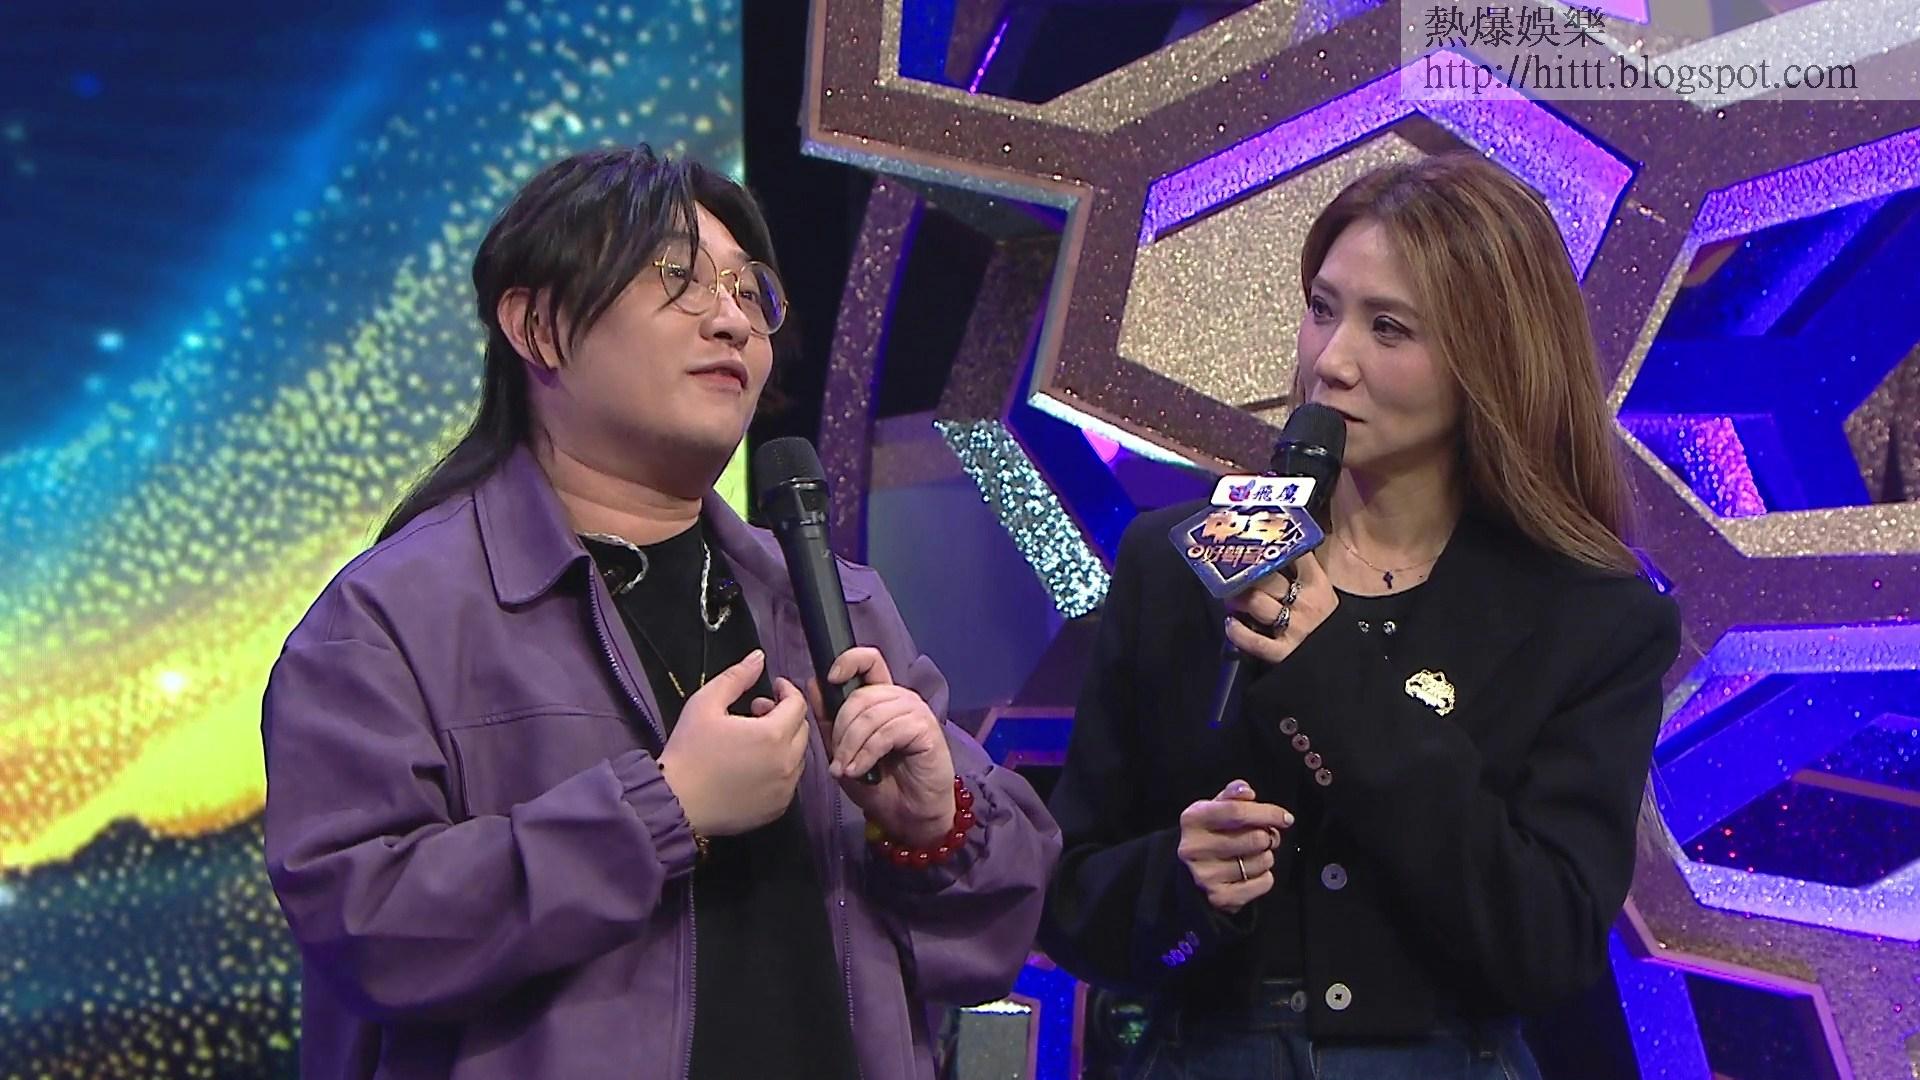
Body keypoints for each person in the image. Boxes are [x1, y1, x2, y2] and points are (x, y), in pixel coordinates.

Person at [261, 144, 1060, 1080]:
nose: (731, 318)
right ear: (537, 326)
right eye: (678, 281)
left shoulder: (835, 604)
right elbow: (363, 926)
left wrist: (933, 825)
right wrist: (664, 810)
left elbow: (998, 927)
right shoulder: (391, 617)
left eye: (749, 291)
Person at [1038, 154, 1681, 1078]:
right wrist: (1183, 888)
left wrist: (1332, 674)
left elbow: (1548, 946)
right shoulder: (1180, 559)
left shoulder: (1588, 614)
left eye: (1388, 328)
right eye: (1322, 309)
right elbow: (1071, 905)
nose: (1331, 363)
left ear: (1492, 358)